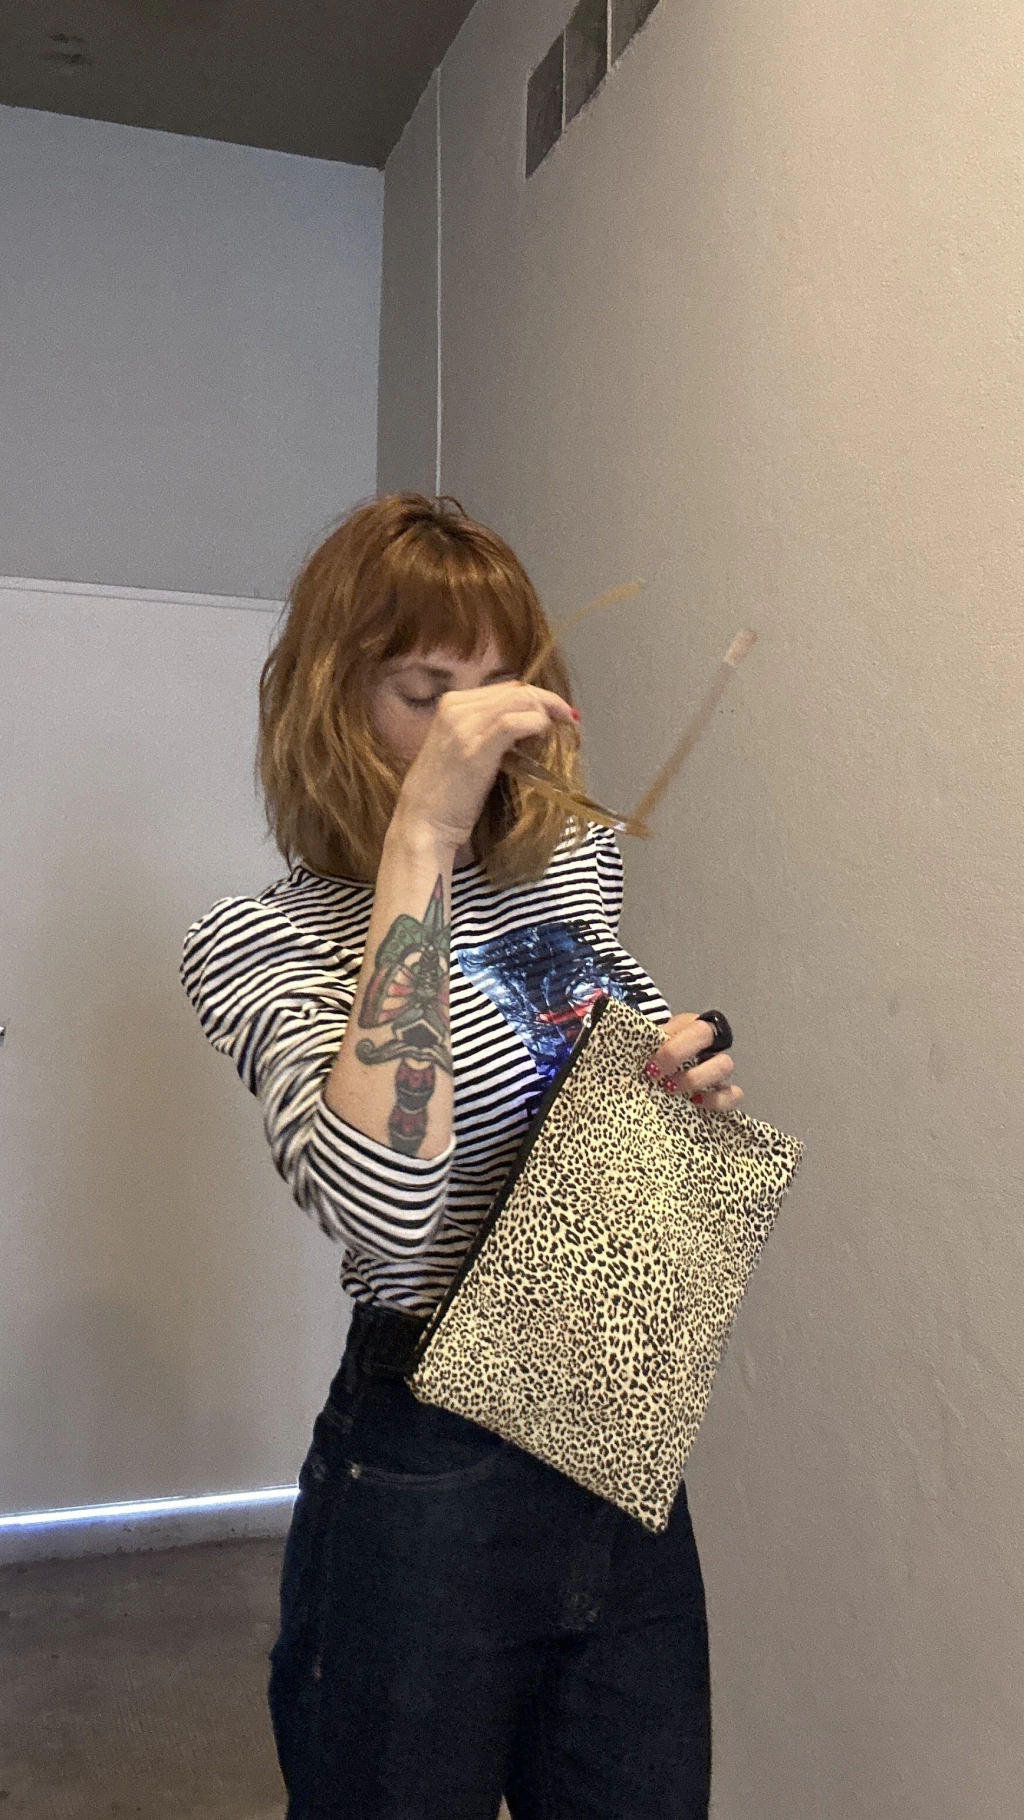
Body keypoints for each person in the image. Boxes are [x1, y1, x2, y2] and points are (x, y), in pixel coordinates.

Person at [180, 493, 742, 1820]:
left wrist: (684, 1081)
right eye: (427, 694)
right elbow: (385, 1209)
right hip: (428, 1461)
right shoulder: (261, 941)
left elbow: (606, 1093)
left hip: (611, 1419)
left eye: (496, 691)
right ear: (330, 701)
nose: (475, 731)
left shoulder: (571, 869)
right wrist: (420, 842)